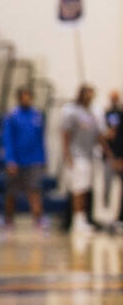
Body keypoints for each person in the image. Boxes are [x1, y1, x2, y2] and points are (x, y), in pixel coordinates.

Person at [2, 86, 47, 231]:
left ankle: (38, 219)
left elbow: (41, 139)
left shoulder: (37, 116)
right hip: (16, 161)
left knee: (35, 190)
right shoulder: (12, 116)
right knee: (12, 192)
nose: (26, 99)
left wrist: (43, 158)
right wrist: (10, 160)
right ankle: (8, 219)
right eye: (23, 96)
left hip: (34, 160)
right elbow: (7, 139)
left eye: (28, 96)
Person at [60, 84, 103, 235]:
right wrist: (67, 155)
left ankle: (83, 219)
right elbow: (65, 134)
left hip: (89, 156)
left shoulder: (91, 114)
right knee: (77, 189)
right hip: (76, 156)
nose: (90, 97)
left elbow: (98, 136)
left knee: (85, 189)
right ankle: (77, 220)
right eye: (88, 94)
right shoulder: (73, 113)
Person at [104, 91, 123, 232]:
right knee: (107, 188)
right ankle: (106, 218)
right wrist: (111, 156)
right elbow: (106, 135)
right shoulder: (105, 114)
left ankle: (119, 218)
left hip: (120, 157)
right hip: (109, 158)